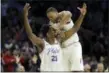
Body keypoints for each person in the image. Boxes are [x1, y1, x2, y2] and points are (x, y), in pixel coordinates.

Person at [23, 3, 65, 71]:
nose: (55, 31)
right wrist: (25, 16)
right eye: (52, 30)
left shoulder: (59, 41)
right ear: (47, 34)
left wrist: (57, 16)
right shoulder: (42, 43)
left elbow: (62, 26)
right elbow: (30, 34)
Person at [46, 3, 87, 71]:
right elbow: (56, 38)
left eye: (51, 17)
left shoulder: (63, 14)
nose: (50, 19)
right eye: (49, 18)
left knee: (77, 70)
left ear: (57, 13)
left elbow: (69, 14)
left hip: (74, 46)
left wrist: (59, 26)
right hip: (62, 49)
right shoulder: (51, 23)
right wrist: (58, 35)